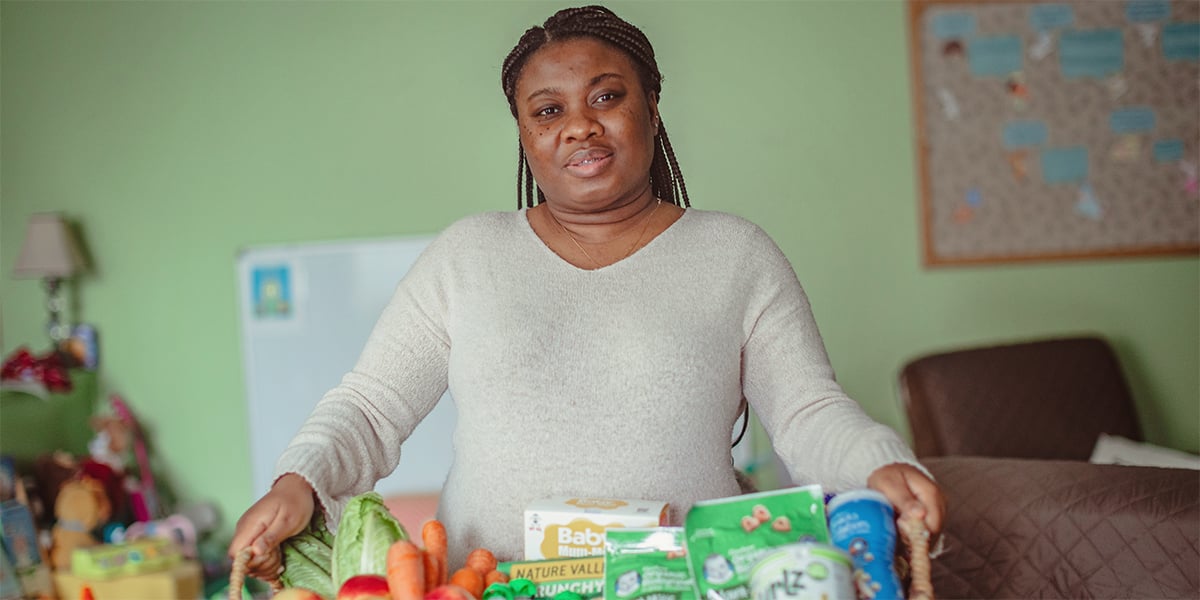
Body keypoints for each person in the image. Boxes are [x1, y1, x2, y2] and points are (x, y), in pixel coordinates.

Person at [228, 4, 945, 578]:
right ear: (524, 132)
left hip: (685, 583)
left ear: (651, 106)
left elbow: (809, 412)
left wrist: (876, 464)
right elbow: (369, 407)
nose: (579, 125)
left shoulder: (735, 255)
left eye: (607, 96)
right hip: (492, 585)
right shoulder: (468, 256)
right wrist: (302, 481)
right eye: (547, 110)